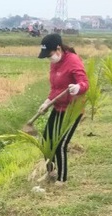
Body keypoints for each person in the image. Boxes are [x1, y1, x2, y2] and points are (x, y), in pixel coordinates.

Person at [36, 33, 89, 186]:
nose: (49, 58)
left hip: (73, 109)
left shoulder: (73, 61)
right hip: (58, 106)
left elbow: (85, 83)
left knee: (61, 143)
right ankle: (50, 172)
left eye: (50, 54)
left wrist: (78, 87)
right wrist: (46, 103)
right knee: (46, 139)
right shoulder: (54, 63)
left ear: (58, 49)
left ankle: (62, 179)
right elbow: (55, 88)